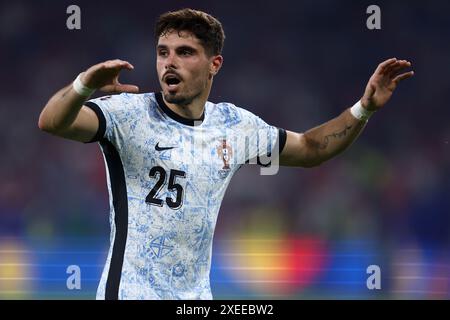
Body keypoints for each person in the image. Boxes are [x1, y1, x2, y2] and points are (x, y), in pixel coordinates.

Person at [38, 8, 414, 300]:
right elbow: (52, 122)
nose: (170, 62)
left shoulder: (233, 126)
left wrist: (364, 108)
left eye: (185, 53)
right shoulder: (128, 114)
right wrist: (83, 85)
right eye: (163, 52)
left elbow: (311, 149)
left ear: (214, 64)